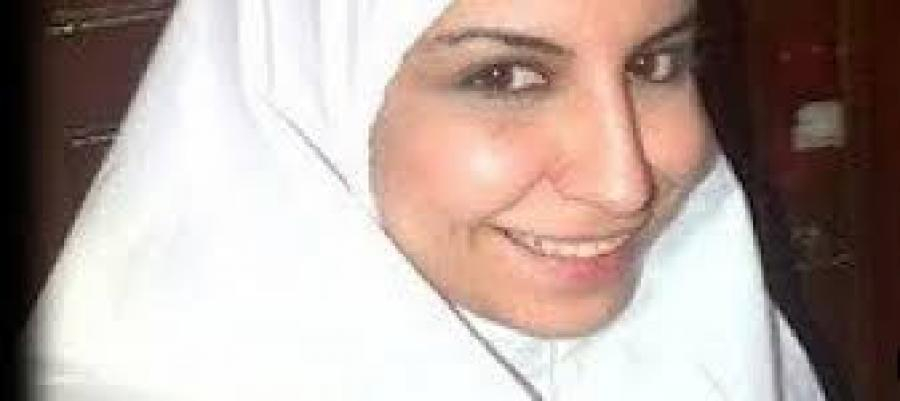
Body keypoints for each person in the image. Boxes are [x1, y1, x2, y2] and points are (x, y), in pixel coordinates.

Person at [27, 0, 826, 399]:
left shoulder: (696, 331)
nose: (625, 184)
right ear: (310, 96)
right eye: (505, 76)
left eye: (654, 64)